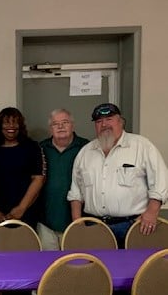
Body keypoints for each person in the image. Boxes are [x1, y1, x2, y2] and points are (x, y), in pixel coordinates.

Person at [68, 102, 168, 248]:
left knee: (133, 268)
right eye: (99, 121)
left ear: (121, 122)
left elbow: (161, 180)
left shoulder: (142, 146)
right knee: (97, 269)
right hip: (93, 227)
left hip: (133, 227)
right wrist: (78, 222)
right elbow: (76, 192)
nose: (104, 125)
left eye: (109, 119)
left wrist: (152, 212)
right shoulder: (85, 152)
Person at [0, 107, 45, 229]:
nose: (11, 126)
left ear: (20, 125)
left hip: (27, 213)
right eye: (6, 122)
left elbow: (38, 179)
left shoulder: (32, 147)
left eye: (15, 122)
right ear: (0, 125)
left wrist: (21, 208)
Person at [37, 109, 89, 250]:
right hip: (46, 222)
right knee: (48, 266)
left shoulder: (87, 148)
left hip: (78, 220)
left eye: (65, 122)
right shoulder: (40, 148)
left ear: (72, 125)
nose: (60, 127)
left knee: (75, 265)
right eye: (55, 124)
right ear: (50, 128)